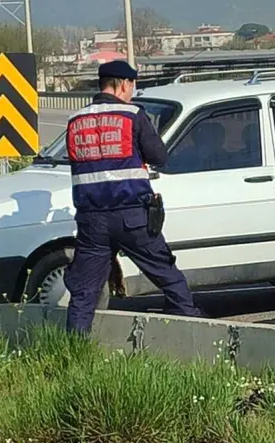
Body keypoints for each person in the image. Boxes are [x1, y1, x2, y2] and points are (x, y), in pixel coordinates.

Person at [63, 60, 203, 334]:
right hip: (132, 216)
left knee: (84, 292)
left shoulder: (75, 120)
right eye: (132, 87)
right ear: (123, 84)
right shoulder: (132, 115)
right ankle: (193, 329)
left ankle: (73, 349)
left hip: (91, 220)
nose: (131, 92)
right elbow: (159, 157)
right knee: (166, 273)